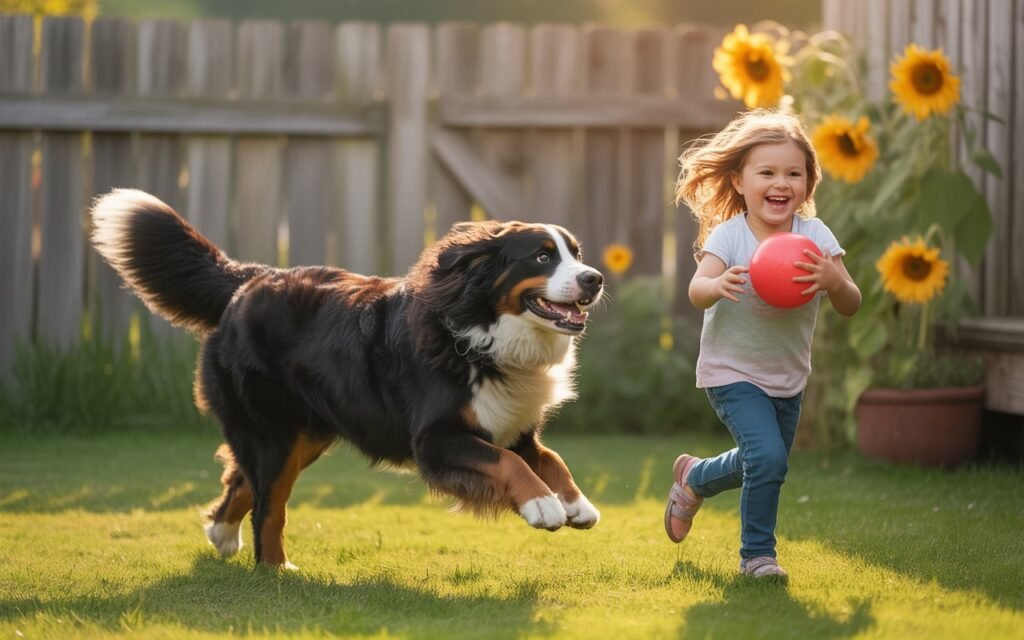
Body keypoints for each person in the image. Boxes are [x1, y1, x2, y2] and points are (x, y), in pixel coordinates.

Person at [663, 109, 862, 578]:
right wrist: (718, 284)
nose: (781, 182)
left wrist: (835, 280)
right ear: (738, 179)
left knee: (763, 461)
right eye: (767, 172)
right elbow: (696, 289)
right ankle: (757, 556)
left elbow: (851, 302)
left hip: (787, 377)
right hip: (731, 372)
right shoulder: (730, 236)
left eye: (794, 173)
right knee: (768, 459)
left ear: (808, 183)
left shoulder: (815, 236)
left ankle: (693, 479)